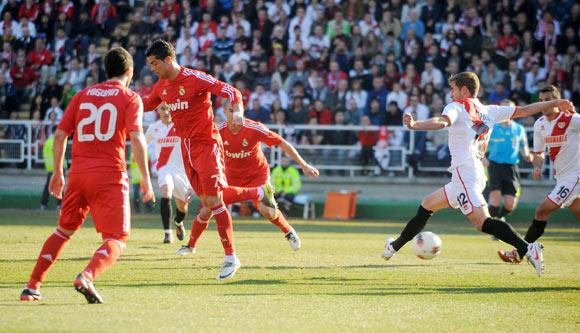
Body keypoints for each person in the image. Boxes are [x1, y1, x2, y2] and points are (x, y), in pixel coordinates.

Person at [382, 72, 575, 276]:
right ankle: (393, 247)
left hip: (466, 173)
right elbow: (525, 110)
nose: (451, 94)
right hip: (471, 174)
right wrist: (557, 102)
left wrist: (414, 125)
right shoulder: (489, 110)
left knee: (482, 222)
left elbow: (441, 121)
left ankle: (528, 248)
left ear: (464, 90)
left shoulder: (457, 106)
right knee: (427, 204)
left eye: (453, 89)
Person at [20, 47, 155, 303]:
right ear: (130, 72)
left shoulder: (82, 95)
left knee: (63, 231)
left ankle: (32, 286)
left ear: (106, 70)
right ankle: (87, 276)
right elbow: (137, 137)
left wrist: (58, 173)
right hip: (109, 175)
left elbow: (60, 136)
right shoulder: (130, 97)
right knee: (117, 238)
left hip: (78, 174)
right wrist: (147, 178)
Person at [142, 39, 275, 280]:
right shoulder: (162, 86)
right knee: (207, 201)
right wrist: (122, 103)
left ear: (168, 60)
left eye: (154, 63)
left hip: (206, 144)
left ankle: (231, 257)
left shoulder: (195, 79)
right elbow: (145, 103)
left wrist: (238, 113)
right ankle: (257, 193)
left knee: (214, 199)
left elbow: (231, 91)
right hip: (187, 148)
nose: (152, 68)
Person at [498, 85, 579, 263]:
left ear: (557, 102)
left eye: (548, 100)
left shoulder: (572, 119)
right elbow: (539, 152)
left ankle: (521, 251)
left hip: (576, 176)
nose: (543, 104)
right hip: (563, 178)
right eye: (541, 101)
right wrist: (537, 166)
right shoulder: (540, 124)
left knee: (541, 210)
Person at [145, 105, 193, 244]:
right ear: (157, 111)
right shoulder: (154, 128)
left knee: (182, 207)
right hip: (164, 167)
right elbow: (143, 143)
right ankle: (167, 233)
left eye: (168, 108)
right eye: (162, 109)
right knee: (166, 191)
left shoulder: (182, 126)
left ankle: (178, 222)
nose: (166, 112)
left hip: (181, 170)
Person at [484, 100, 532, 221]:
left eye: (508, 110)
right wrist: (482, 158)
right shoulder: (492, 127)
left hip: (511, 167)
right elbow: (479, 145)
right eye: (503, 110)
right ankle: (492, 227)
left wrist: (527, 155)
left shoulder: (519, 129)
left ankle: (499, 221)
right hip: (494, 165)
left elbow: (523, 146)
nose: (505, 113)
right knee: (495, 197)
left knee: (510, 204)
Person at [40, 133, 63, 211]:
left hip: (50, 168)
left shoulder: (47, 142)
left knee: (47, 187)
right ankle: (59, 204)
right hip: (58, 167)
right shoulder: (57, 141)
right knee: (59, 187)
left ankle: (43, 204)